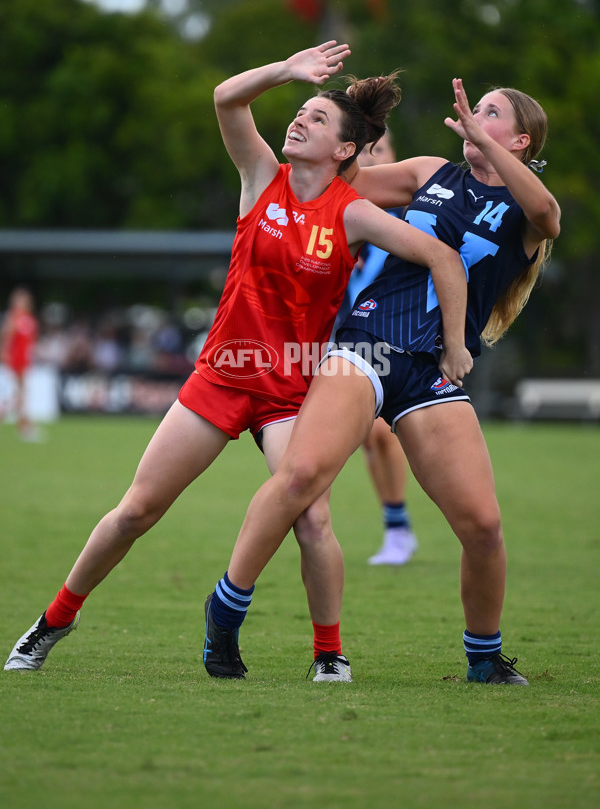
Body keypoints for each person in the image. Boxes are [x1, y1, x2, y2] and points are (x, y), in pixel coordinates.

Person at [4, 43, 469, 681]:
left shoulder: (353, 212)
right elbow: (226, 98)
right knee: (136, 511)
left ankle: (329, 653)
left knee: (313, 519)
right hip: (221, 377)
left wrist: (454, 344)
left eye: (316, 118)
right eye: (299, 111)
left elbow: (443, 258)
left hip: (290, 393)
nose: (299, 119)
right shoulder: (260, 176)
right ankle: (54, 621)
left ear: (344, 150)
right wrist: (286, 71)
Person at [203, 76, 560, 685]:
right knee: (301, 477)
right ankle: (227, 605)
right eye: (475, 108)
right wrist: (354, 122)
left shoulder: (529, 208)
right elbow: (338, 184)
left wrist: (484, 146)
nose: (474, 115)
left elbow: (548, 217)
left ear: (520, 140)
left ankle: (484, 658)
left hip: (434, 369)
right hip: (368, 343)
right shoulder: (430, 172)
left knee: (483, 527)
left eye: (490, 112)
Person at [351, 132, 416, 566]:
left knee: (377, 432)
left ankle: (397, 527)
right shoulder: (341, 212)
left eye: (380, 150)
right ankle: (397, 527)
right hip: (344, 339)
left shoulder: (412, 218)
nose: (371, 159)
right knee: (367, 439)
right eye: (363, 150)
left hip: (396, 341)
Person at [0, 287, 40, 441]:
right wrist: (5, 354)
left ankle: (24, 425)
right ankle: (24, 426)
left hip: (24, 360)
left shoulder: (28, 318)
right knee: (17, 394)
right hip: (14, 360)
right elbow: (7, 337)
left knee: (21, 394)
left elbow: (30, 341)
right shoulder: (14, 317)